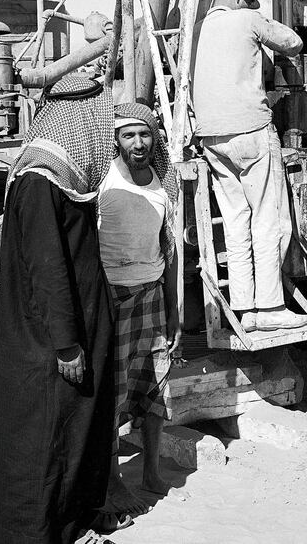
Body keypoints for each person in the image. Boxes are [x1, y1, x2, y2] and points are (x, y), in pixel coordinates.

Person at [0, 74, 116, 544]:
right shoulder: (40, 182)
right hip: (49, 349)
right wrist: (66, 345)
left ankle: (67, 529)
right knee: (43, 447)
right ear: (78, 121)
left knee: (68, 442)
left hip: (70, 339)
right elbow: (48, 272)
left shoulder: (58, 181)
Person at [191, 0, 307, 333]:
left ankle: (245, 308)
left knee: (235, 221)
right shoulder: (248, 19)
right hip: (250, 131)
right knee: (268, 219)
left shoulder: (196, 31)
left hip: (211, 137)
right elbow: (294, 42)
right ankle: (272, 307)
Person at [98, 102, 180, 499]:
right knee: (113, 390)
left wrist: (175, 309)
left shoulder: (162, 182)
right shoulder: (103, 176)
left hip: (151, 296)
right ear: (116, 140)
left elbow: (170, 251)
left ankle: (150, 472)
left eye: (144, 134)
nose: (138, 142)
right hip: (112, 296)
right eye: (128, 135)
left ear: (154, 139)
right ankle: (111, 477)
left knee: (154, 387)